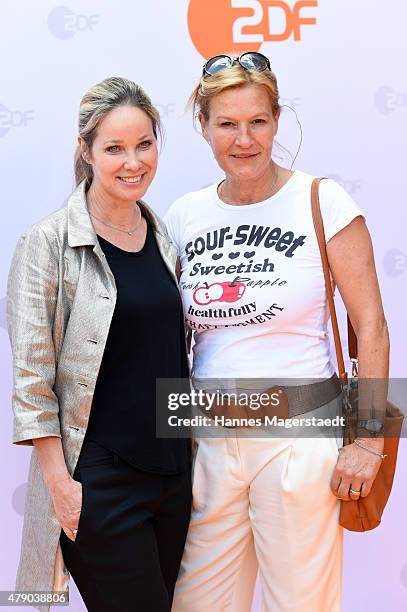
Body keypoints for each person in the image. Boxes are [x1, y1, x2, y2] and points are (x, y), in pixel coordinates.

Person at [164, 53, 389, 611]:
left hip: (300, 440)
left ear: (277, 120)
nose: (244, 139)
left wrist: (368, 439)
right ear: (203, 126)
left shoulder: (321, 200)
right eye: (227, 124)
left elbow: (373, 327)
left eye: (257, 122)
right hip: (209, 442)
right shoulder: (184, 215)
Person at [7, 76, 192, 612]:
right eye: (114, 148)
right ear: (85, 151)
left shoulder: (163, 237)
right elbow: (31, 380)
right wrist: (62, 487)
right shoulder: (48, 243)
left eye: (145, 144)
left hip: (172, 479)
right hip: (99, 484)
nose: (133, 161)